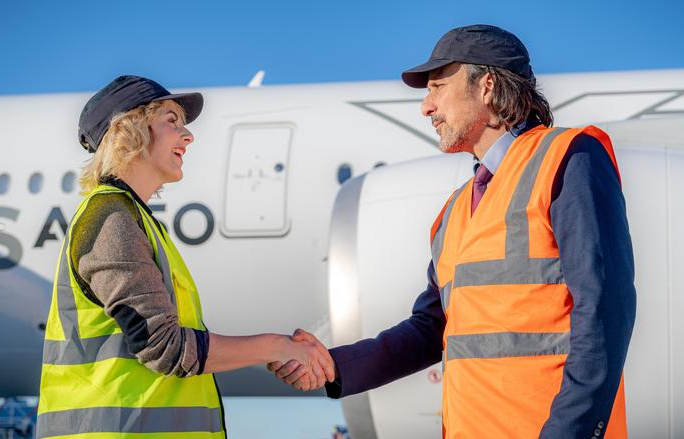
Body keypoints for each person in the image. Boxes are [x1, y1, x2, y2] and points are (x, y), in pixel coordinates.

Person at [269, 25, 636, 438]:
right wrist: (334, 365)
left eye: (438, 88)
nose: (426, 107)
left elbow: (604, 313)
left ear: (487, 87)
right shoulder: (455, 212)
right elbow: (430, 329)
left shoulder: (568, 158)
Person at [36, 76, 334, 438]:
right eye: (172, 121)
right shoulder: (111, 218)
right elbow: (164, 347)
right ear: (129, 131)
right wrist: (277, 347)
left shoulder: (137, 219)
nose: (188, 136)